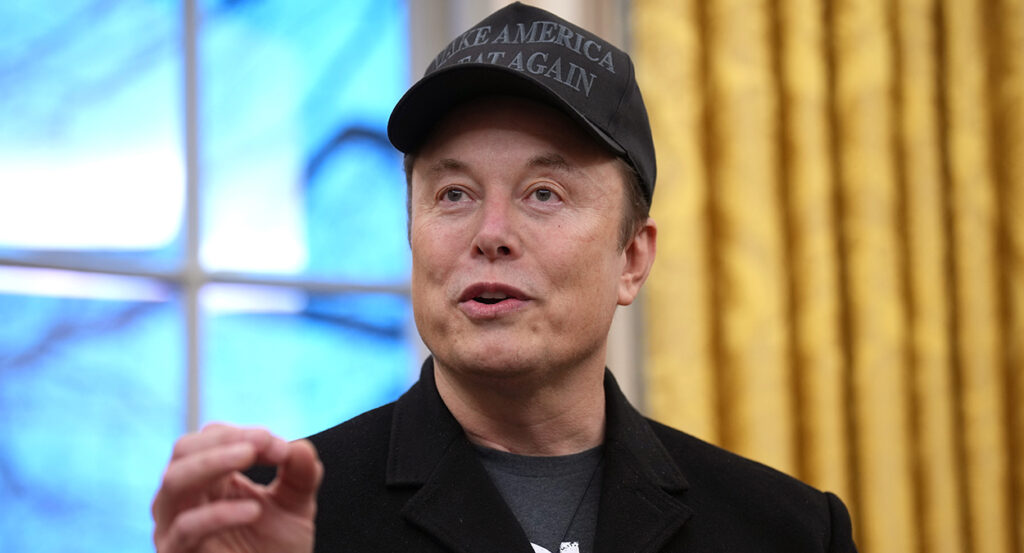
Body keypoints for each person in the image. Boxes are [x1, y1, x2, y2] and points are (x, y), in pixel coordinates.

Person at [150, 3, 858, 552]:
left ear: (632, 258)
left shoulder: (789, 530)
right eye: (452, 194)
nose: (490, 234)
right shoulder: (284, 519)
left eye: (543, 193)